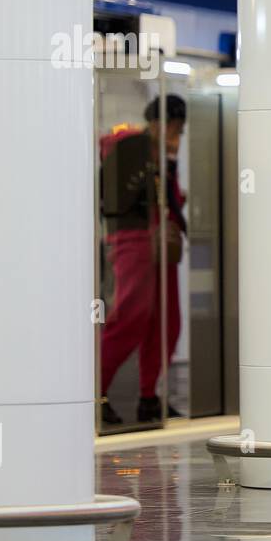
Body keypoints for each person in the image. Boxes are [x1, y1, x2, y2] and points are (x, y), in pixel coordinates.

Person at [98, 95, 188, 424]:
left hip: (160, 242)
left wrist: (172, 160)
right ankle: (97, 392)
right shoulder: (128, 145)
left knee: (165, 322)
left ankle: (150, 397)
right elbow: (122, 193)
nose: (173, 133)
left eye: (179, 128)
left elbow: (173, 199)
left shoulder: (164, 156)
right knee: (131, 317)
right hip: (133, 240)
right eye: (171, 125)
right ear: (155, 122)